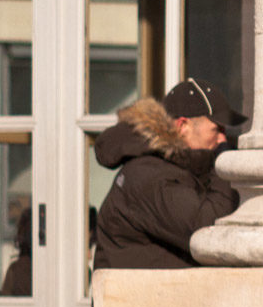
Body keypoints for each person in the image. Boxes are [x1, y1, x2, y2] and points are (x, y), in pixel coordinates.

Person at [93, 78, 245, 270]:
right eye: (216, 129)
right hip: (137, 298)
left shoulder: (170, 167)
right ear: (183, 127)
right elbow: (207, 231)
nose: (222, 138)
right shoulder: (149, 176)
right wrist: (225, 165)